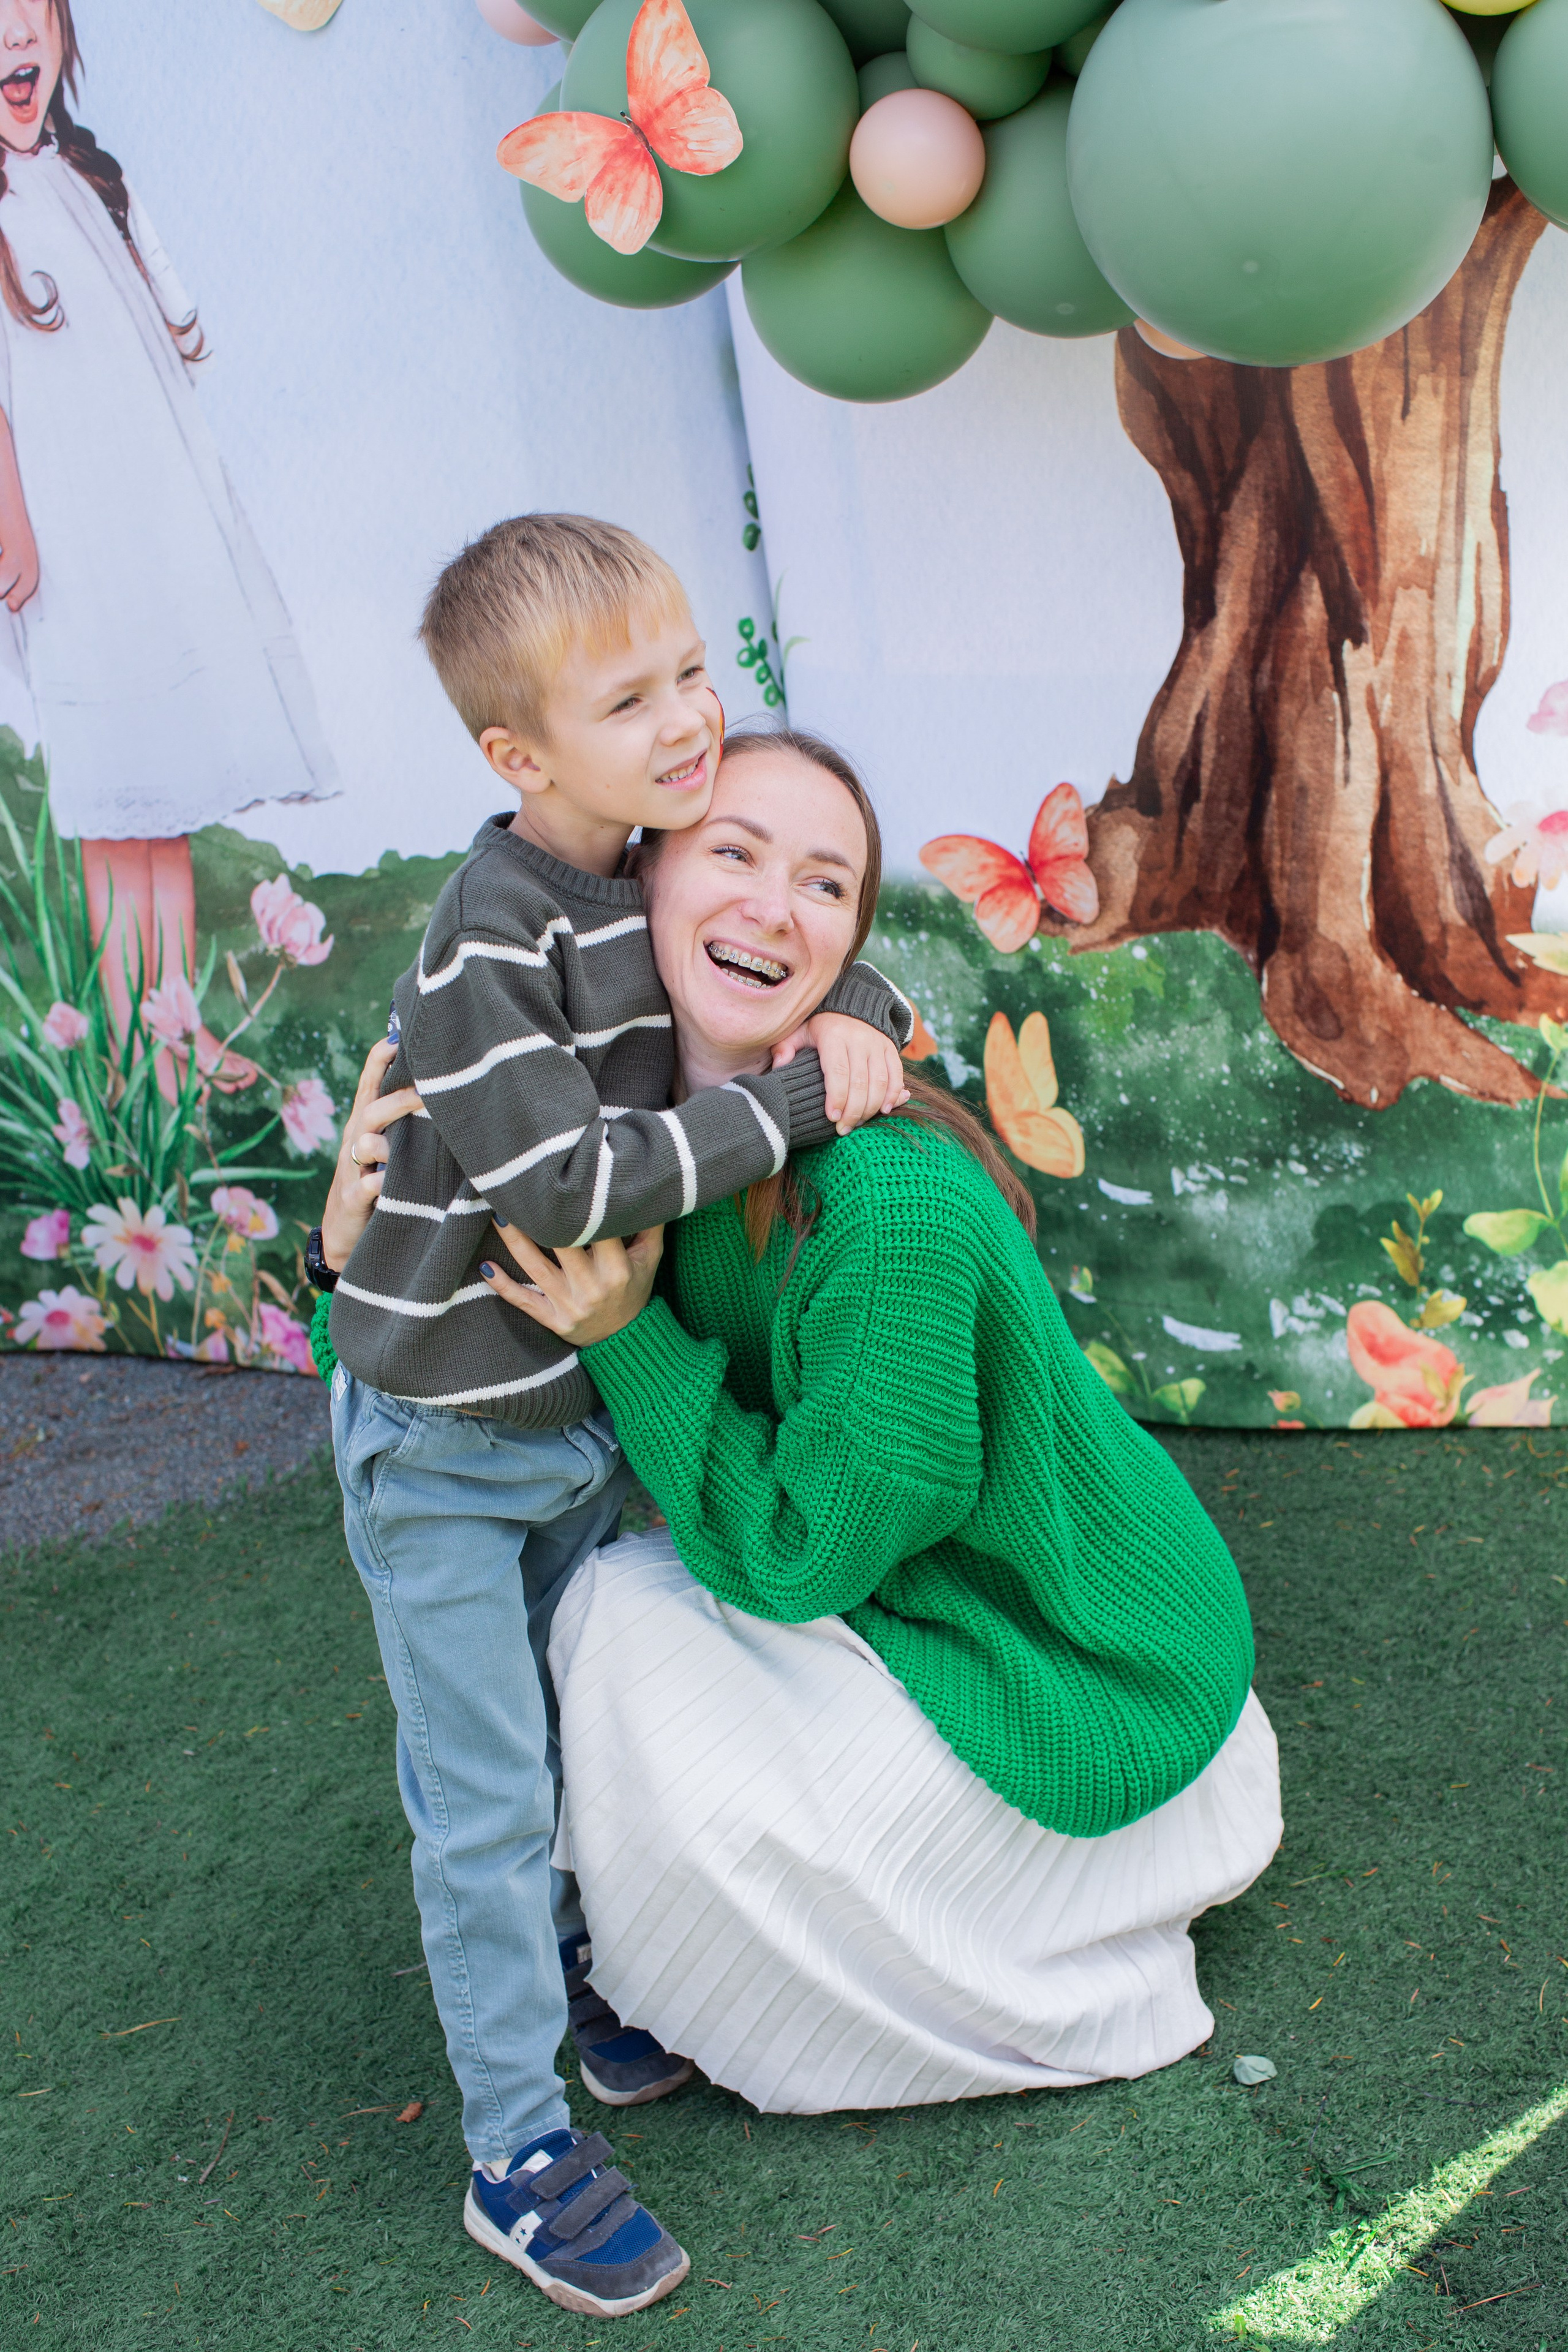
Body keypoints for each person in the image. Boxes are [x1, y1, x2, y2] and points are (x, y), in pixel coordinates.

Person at [473, 725, 1283, 2116]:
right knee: (619, 1617)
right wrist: (338, 1245)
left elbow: (803, 1557)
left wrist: (626, 1337)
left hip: (1085, 1674)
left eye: (824, 883)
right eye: (732, 853)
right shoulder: (629, 1124)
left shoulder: (881, 1201)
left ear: (848, 942)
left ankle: (1019, 1941)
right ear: (644, 881)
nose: (771, 906)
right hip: (917, 1590)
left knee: (624, 1629)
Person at [317, 515, 911, 2319]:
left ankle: (575, 1971)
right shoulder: (483, 948)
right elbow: (570, 1186)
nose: (687, 719)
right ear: (519, 756)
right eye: (632, 699)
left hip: (569, 1416)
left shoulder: (642, 861)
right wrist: (805, 1101)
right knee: (483, 1796)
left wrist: (861, 1005)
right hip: (443, 1442)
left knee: (573, 1732)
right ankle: (516, 2151)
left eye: (691, 672)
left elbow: (753, 944)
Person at [0, 0, 335, 1085]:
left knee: (166, 786)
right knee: (115, 793)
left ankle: (175, 1023)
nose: (15, 40)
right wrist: (9, 514)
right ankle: (129, 1043)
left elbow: (169, 310)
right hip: (69, 529)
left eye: (29, 12)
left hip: (146, 511)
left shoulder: (86, 173)